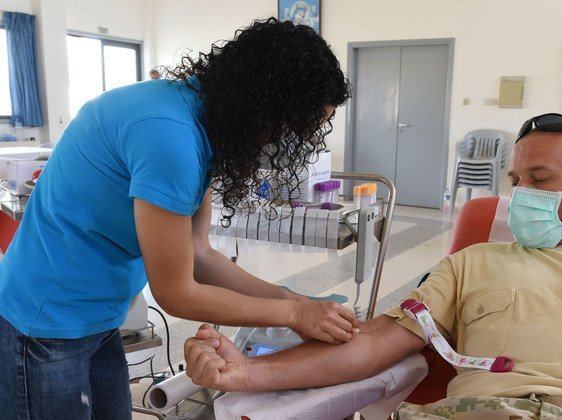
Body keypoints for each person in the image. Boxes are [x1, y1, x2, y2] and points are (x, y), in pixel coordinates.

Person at [184, 113, 562, 419]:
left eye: (540, 181)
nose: (520, 197)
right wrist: (246, 374)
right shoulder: (474, 263)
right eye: (516, 182)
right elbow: (376, 342)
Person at [0, 18, 356, 419]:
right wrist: (293, 315)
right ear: (265, 104)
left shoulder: (202, 123)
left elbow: (199, 254)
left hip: (97, 315)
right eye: (295, 128)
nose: (292, 143)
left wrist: (294, 300)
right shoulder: (170, 136)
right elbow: (176, 293)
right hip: (46, 320)